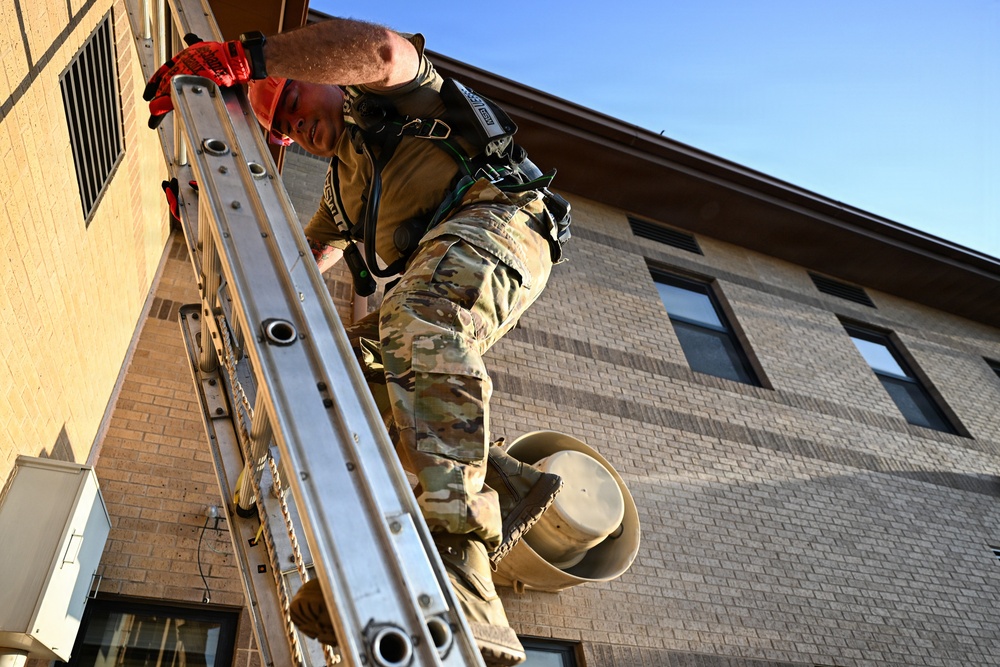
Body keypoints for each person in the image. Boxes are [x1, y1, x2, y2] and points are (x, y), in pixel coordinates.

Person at [144, 16, 571, 667]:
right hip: (446, 255)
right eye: (283, 126)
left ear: (326, 75)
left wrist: (252, 56)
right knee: (340, 367)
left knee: (421, 320)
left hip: (503, 219)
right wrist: (207, 217)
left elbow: (381, 50)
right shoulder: (345, 189)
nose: (295, 127)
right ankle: (490, 491)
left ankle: (459, 559)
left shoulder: (394, 98)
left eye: (294, 101)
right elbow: (295, 266)